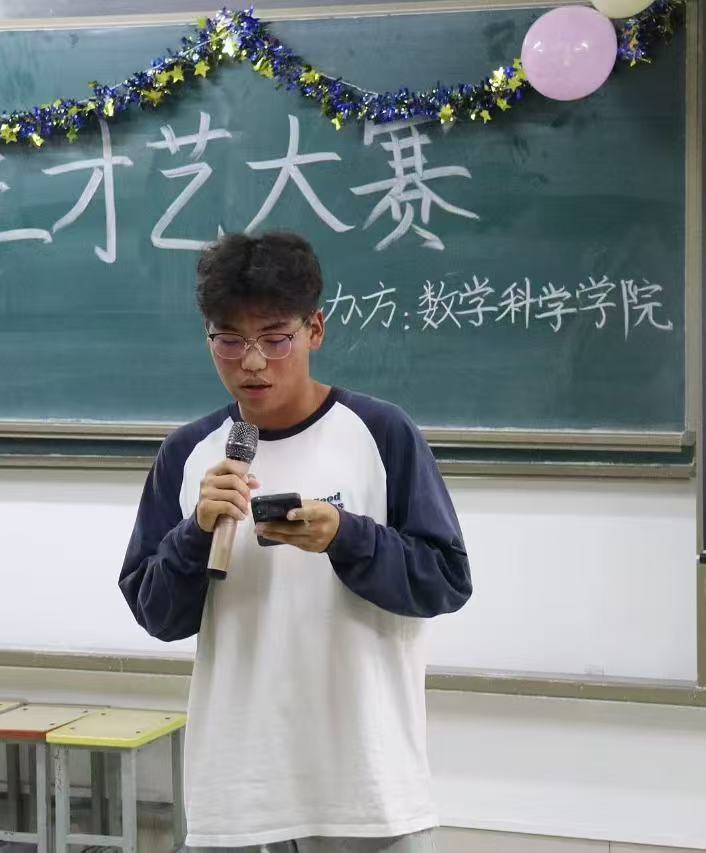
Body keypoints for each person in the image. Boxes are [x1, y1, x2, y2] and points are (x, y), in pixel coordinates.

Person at [119, 232, 472, 852]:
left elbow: (445, 581)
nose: (252, 362)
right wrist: (195, 532)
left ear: (315, 330)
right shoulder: (189, 453)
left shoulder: (380, 432)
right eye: (230, 340)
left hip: (366, 789)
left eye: (275, 338)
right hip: (236, 791)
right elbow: (157, 615)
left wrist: (347, 536)